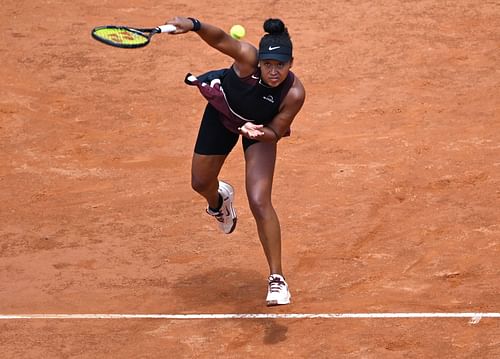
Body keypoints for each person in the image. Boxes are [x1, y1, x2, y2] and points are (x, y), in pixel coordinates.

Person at [165, 16, 306, 306]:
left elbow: (276, 131)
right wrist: (193, 25)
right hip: (223, 115)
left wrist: (259, 132)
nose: (274, 71)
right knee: (200, 182)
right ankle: (219, 201)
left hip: (259, 130)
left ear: (290, 63)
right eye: (268, 64)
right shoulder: (246, 60)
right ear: (260, 61)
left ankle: (277, 280)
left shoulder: (294, 93)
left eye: (280, 65)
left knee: (259, 200)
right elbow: (220, 39)